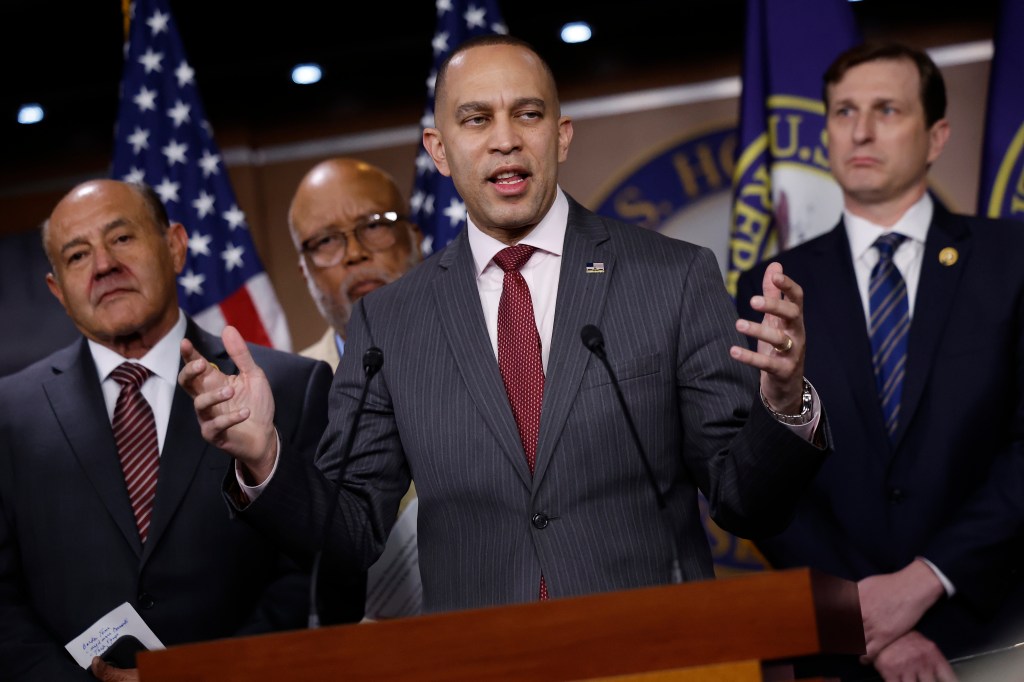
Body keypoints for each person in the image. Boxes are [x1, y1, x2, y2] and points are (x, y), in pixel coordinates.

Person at [180, 34, 829, 615]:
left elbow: (746, 503)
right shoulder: (389, 322)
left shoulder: (673, 277)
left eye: (527, 113)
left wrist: (785, 405)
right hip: (482, 658)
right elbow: (350, 533)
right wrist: (265, 457)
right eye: (475, 118)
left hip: (654, 649)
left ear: (562, 135)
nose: (505, 138)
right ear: (439, 149)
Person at [737, 43, 1024, 680]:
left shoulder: (1013, 259)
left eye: (886, 110)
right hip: (846, 649)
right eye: (843, 112)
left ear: (936, 136)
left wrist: (926, 580)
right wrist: (868, 616)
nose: (860, 131)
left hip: (999, 631)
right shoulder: (771, 286)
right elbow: (762, 480)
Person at [0, 179, 360, 682]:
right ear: (57, 289)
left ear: (175, 246)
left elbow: (323, 577)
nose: (104, 265)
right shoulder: (9, 414)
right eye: (78, 255)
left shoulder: (290, 387)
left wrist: (204, 673)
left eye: (121, 238)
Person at [288, 157, 423, 619]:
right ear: (304, 272)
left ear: (415, 238)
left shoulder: (503, 353)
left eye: (374, 225)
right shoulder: (282, 399)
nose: (354, 253)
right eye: (326, 241)